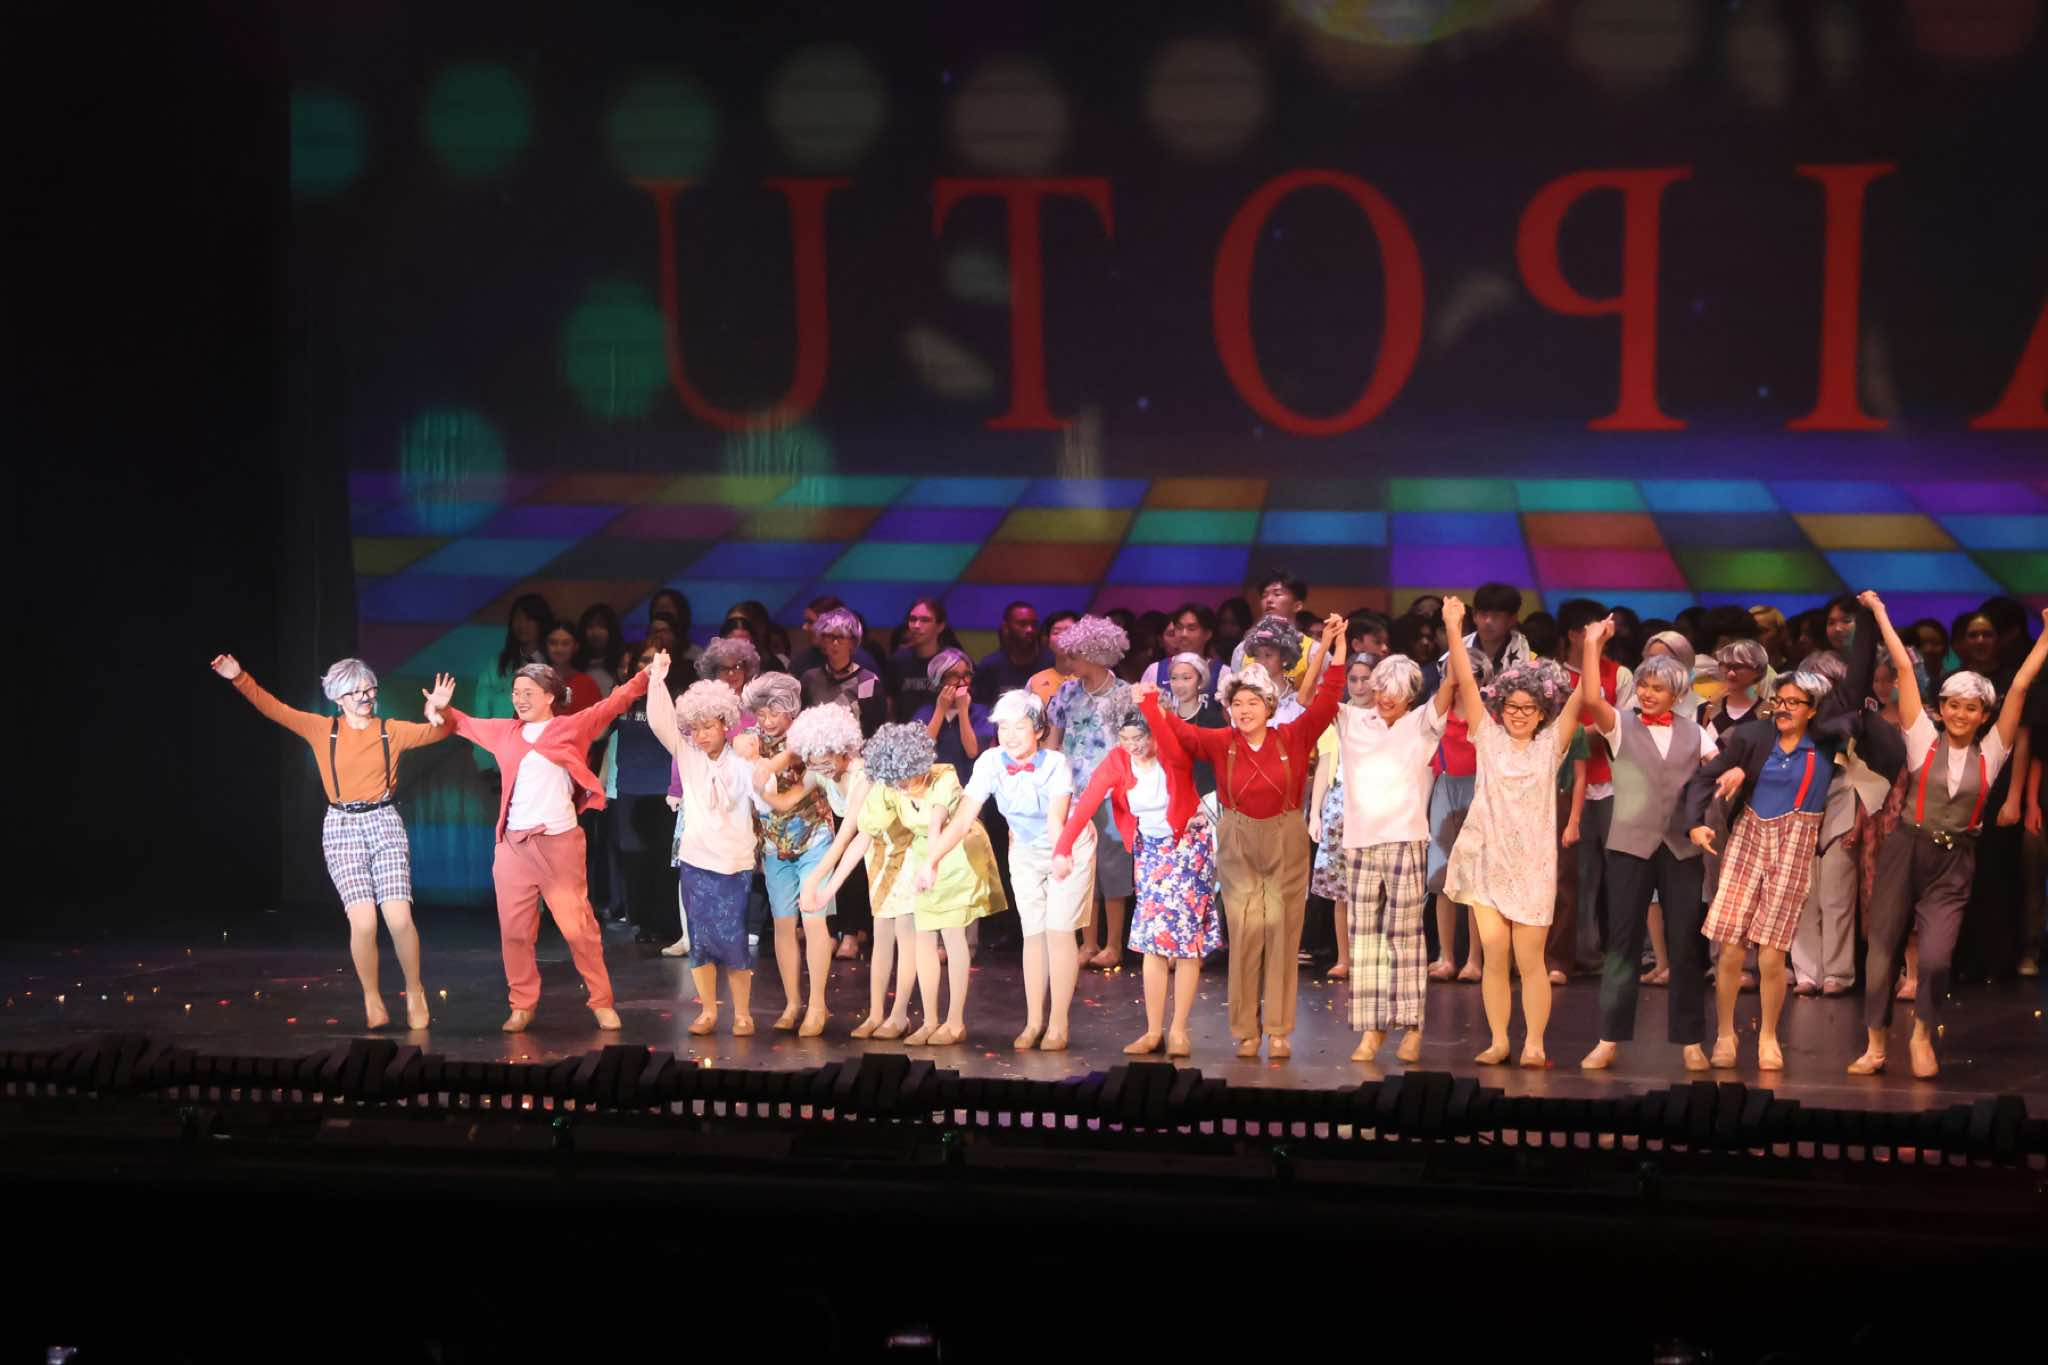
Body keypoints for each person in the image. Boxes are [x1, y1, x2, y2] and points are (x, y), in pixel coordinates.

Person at [1683, 601, 1897, 1072]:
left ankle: (1768, 1037)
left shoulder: (1825, 736)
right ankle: (1725, 1035)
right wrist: (1697, 821)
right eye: (1778, 701)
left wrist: (1867, 619)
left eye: (1793, 703)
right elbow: (1705, 777)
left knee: (1773, 953)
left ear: (1813, 709)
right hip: (1748, 837)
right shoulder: (1753, 737)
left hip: (1795, 841)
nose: (1782, 709)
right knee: (1731, 947)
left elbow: (1858, 679)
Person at [1853, 595, 2048, 1078]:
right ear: (1941, 709)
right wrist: (1880, 613)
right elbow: (1903, 666)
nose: (1961, 714)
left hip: (1955, 859)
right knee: (1882, 953)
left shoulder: (1993, 752)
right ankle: (1876, 1044)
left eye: (1971, 708)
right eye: (1953, 705)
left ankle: (1922, 1033)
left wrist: (2047, 637)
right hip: (1906, 848)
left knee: (1938, 958)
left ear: (1984, 714)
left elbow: (2020, 686)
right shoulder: (1923, 738)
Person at [212, 653, 450, 1030]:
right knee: (364, 922)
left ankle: (414, 989)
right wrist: (238, 676)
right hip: (342, 827)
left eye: (369, 689)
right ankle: (372, 997)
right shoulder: (323, 729)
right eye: (355, 692)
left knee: (399, 918)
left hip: (383, 822)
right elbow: (275, 709)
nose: (365, 697)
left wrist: (439, 712)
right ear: (338, 697)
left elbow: (438, 732)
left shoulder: (390, 731)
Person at [1149, 616, 1343, 1059]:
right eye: (1237, 703)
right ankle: (1246, 1031)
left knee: (1282, 933)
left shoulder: (1292, 735)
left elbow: (1329, 698)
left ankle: (1279, 1030)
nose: (1244, 710)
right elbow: (1180, 734)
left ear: (1269, 706)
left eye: (1253, 702)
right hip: (1237, 838)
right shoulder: (1222, 742)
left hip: (1285, 837)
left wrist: (1338, 648)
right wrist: (1151, 707)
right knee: (1245, 934)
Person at [426, 659, 652, 1032]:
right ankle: (522, 1004)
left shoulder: (569, 727)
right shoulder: (505, 732)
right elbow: (462, 723)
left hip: (559, 846)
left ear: (550, 696)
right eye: (516, 693)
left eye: (528, 693)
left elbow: (612, 705)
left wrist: (646, 676)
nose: (520, 699)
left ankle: (601, 1001)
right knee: (515, 932)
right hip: (514, 847)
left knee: (578, 930)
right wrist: (441, 708)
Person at [1438, 595, 1586, 1068]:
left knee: (1530, 959)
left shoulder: (1551, 746)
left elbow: (1583, 696)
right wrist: (1453, 625)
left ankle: (1534, 1044)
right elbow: (1465, 679)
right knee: (1495, 955)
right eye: (1512, 706)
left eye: (1529, 708)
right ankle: (1500, 1040)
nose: (1519, 714)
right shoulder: (1487, 736)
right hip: (1487, 858)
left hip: (1532, 864)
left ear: (1543, 712)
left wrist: (1591, 648)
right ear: (1500, 707)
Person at [1577, 617, 1718, 1072]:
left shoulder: (1696, 732)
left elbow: (1718, 771)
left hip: (1680, 847)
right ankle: (1608, 1038)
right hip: (1630, 845)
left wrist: (1730, 778)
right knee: (1622, 944)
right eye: (1644, 686)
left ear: (1677, 693)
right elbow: (1591, 699)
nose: (1649, 693)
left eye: (1658, 688)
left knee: (1685, 944)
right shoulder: (1620, 724)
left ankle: (1691, 1040)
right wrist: (1593, 645)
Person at [926, 690, 1085, 1050]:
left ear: (1039, 730)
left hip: (1068, 847)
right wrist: (932, 859)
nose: (1010, 736)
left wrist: (1061, 854)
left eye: (1020, 727)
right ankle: (1034, 1022)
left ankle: (1058, 1024)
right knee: (1034, 933)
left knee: (1058, 931)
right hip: (1025, 848)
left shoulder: (1055, 764)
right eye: (1003, 728)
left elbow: (1057, 820)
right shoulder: (990, 761)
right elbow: (963, 818)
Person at [1063, 699, 1218, 1057]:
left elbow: (1171, 747)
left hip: (1186, 848)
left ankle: (1178, 1029)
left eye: (1140, 737)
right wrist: (1062, 848)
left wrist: (1150, 705)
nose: (1133, 746)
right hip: (1150, 853)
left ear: (1152, 734)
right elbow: (1087, 803)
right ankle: (1152, 1031)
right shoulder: (1118, 760)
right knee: (1152, 941)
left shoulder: (1170, 755)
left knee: (1185, 942)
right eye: (1125, 738)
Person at [1329, 634, 1452, 1066]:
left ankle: (1412, 1026)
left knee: (1405, 936)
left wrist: (1452, 627)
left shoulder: (1420, 723)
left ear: (1409, 696)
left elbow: (1453, 684)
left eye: (1394, 693)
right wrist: (1333, 651)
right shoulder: (1352, 719)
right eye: (1381, 689)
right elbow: (1314, 700)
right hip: (1360, 841)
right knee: (1364, 939)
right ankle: (1371, 1028)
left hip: (1405, 839)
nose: (1384, 699)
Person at [863, 723, 1005, 1045]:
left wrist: (931, 865)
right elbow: (869, 827)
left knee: (952, 935)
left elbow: (936, 823)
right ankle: (929, 1021)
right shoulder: (893, 786)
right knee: (924, 937)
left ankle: (955, 1023)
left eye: (906, 778)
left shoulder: (944, 776)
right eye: (895, 781)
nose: (901, 786)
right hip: (922, 856)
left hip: (953, 854)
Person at [644, 664, 762, 1036]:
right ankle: (708, 1011)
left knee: (733, 940)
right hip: (696, 861)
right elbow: (659, 722)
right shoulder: (688, 753)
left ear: (725, 724)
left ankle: (742, 1013)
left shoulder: (741, 759)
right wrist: (657, 680)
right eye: (695, 728)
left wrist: (758, 760)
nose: (701, 735)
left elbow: (763, 796)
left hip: (733, 862)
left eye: (708, 726)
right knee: (700, 940)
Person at [800, 709, 920, 1038]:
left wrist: (819, 883)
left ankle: (899, 1016)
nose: (819, 766)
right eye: (813, 759)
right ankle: (877, 1014)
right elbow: (860, 839)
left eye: (824, 757)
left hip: (904, 851)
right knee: (881, 935)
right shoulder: (825, 773)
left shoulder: (865, 776)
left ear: (842, 748)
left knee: (905, 934)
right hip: (876, 853)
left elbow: (849, 836)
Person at [741, 672, 837, 1036]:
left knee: (813, 920)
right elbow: (740, 746)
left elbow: (793, 755)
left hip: (814, 837)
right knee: (783, 923)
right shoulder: (753, 738)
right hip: (774, 843)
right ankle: (793, 1002)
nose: (766, 720)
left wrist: (768, 765)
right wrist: (749, 751)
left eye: (774, 712)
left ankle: (818, 1005)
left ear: (791, 708)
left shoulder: (807, 735)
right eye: (761, 713)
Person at [1046, 616, 1137, 970]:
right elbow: (1053, 741)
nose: (1069, 660)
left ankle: (1113, 944)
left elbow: (1136, 744)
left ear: (1097, 654)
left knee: (1112, 866)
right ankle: (1088, 942)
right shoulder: (1067, 692)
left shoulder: (1124, 694)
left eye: (1076, 654)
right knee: (1082, 865)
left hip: (1114, 790)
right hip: (1073, 790)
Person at [612, 637, 687, 946]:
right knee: (634, 860)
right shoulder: (623, 697)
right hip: (629, 790)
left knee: (664, 861)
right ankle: (642, 922)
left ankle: (668, 925)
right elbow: (599, 733)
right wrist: (617, 699)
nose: (649, 665)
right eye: (643, 660)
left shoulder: (676, 697)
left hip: (663, 791)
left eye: (654, 659)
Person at [1309, 656, 1378, 980]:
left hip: (1376, 804)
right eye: (1354, 679)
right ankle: (1344, 957)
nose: (1360, 686)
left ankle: (1371, 956)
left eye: (1366, 679)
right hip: (1340, 804)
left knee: (1374, 887)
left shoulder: (1388, 717)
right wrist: (1315, 813)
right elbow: (1326, 764)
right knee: (1341, 890)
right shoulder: (1337, 716)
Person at [469, 594, 554, 772]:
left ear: (541, 622)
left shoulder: (555, 664)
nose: (522, 624)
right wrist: (484, 761)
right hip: (500, 762)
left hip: (544, 763)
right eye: (517, 618)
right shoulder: (497, 665)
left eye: (529, 619)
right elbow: (481, 714)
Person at [801, 606, 887, 737]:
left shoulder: (868, 681)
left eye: (841, 637)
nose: (835, 643)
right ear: (822, 641)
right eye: (829, 637)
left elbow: (875, 730)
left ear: (852, 642)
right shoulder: (810, 678)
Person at [911, 648, 990, 785]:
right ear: (938, 680)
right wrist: (940, 710)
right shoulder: (924, 713)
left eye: (966, 675)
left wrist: (963, 711)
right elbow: (920, 752)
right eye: (953, 676)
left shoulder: (980, 712)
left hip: (968, 787)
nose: (962, 683)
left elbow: (972, 751)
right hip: (932, 787)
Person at [974, 600, 1054, 704]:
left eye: (1034, 624)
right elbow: (981, 706)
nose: (1030, 629)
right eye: (1022, 624)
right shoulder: (991, 665)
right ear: (1006, 627)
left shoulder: (1051, 663)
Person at [889, 597, 952, 721]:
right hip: (905, 731)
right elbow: (890, 704)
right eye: (913, 619)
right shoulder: (898, 661)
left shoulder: (952, 663)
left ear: (940, 626)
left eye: (925, 620)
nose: (916, 626)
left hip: (943, 731)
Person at [542, 621, 601, 715]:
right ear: (545, 645)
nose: (559, 649)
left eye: (565, 643)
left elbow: (597, 718)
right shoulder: (535, 682)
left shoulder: (587, 684)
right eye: (553, 643)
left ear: (575, 646)